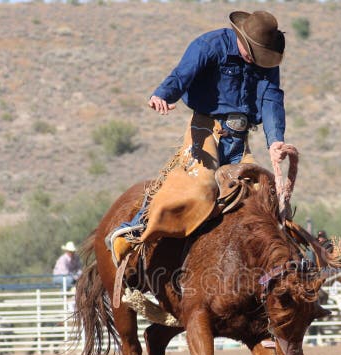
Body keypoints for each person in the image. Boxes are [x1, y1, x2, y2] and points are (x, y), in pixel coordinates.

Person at [108, 10, 291, 264]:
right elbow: (183, 73)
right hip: (206, 130)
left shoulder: (265, 60)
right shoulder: (210, 46)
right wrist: (163, 95)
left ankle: (279, 265)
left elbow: (271, 99)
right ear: (243, 39)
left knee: (265, 196)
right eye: (254, 54)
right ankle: (135, 229)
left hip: (240, 138)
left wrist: (275, 142)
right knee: (198, 187)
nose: (256, 60)